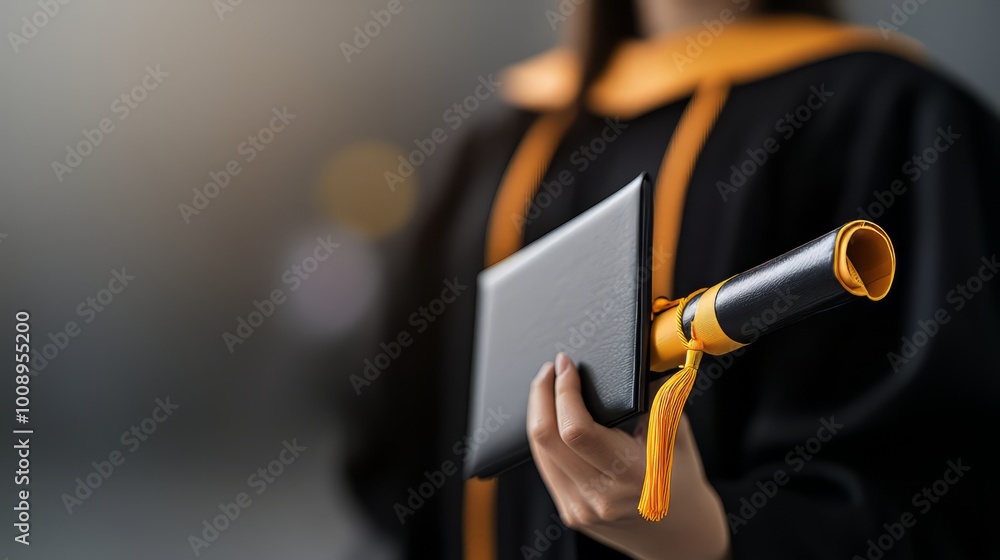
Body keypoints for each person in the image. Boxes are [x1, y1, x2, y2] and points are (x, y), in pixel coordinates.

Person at [342, 0, 1000, 558]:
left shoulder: (896, 117)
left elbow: (947, 478)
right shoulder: (491, 147)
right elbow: (396, 451)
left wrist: (714, 535)